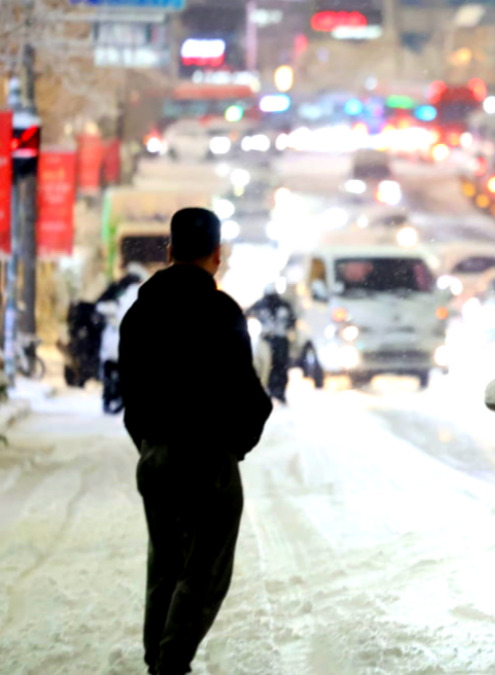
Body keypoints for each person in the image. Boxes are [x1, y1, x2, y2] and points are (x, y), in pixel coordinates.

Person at [119, 207, 272, 675]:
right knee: (205, 570)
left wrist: (152, 445)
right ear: (217, 255)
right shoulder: (221, 312)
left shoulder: (139, 313)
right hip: (209, 457)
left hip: (157, 454)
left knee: (165, 564)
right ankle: (171, 663)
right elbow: (250, 396)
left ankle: (158, 660)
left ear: (169, 251)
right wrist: (233, 447)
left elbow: (131, 396)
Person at [97, 264, 148, 413]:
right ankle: (110, 394)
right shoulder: (124, 291)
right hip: (114, 337)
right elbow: (104, 306)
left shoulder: (130, 292)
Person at [246, 282, 296, 404]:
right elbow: (292, 321)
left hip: (274, 340)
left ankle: (276, 391)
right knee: (275, 366)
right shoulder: (280, 304)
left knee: (273, 366)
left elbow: (292, 321)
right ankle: (275, 391)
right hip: (273, 340)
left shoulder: (263, 304)